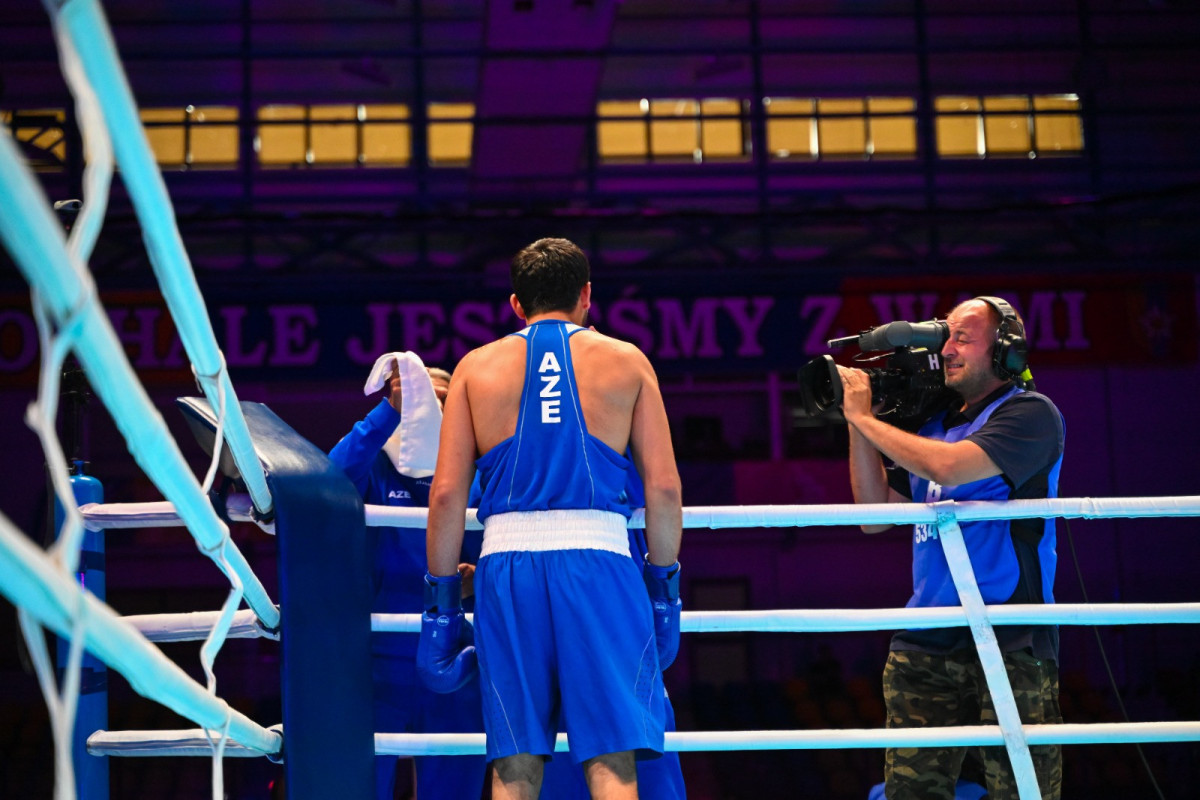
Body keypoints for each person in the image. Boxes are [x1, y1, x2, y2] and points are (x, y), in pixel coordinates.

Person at [420, 237, 683, 800]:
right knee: (612, 759)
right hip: (600, 565)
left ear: (517, 304)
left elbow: (445, 495)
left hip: (505, 567)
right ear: (587, 296)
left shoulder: (473, 368)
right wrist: (663, 589)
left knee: (515, 761)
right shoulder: (627, 361)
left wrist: (441, 603)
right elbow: (662, 488)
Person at [837, 296, 1065, 800]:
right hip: (926, 637)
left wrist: (867, 420)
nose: (948, 348)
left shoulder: (1030, 415)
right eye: (946, 337)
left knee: (1022, 790)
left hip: (1009, 634)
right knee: (910, 794)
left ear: (1005, 350)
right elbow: (873, 518)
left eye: (963, 337)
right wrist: (859, 423)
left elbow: (950, 468)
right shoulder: (935, 425)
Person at [328, 359, 487, 800]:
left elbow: (515, 546)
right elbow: (326, 483)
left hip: (458, 654)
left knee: (454, 790)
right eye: (420, 401)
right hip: (375, 658)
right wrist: (389, 411)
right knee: (359, 788)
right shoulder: (375, 468)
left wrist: (482, 579)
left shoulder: (479, 470)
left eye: (440, 403)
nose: (427, 413)